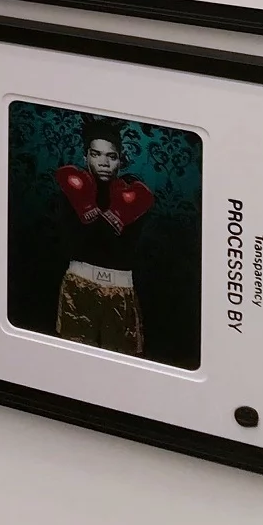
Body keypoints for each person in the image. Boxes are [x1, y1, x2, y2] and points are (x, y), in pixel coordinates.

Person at [52, 120, 154, 355]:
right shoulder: (71, 192)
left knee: (119, 362)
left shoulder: (134, 194)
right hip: (78, 285)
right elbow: (70, 245)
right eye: (96, 154)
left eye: (111, 156)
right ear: (86, 156)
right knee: (72, 358)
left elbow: (126, 251)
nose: (104, 163)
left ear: (120, 159)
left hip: (119, 290)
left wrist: (117, 213)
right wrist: (84, 205)